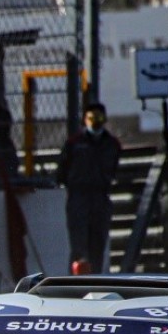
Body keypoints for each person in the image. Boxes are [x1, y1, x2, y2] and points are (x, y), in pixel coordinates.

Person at [55, 102, 122, 272]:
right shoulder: (74, 143)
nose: (95, 122)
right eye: (91, 118)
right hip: (79, 197)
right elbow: (61, 171)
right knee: (79, 246)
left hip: (101, 196)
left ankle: (96, 282)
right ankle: (75, 284)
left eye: (99, 118)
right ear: (85, 119)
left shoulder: (112, 144)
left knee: (98, 246)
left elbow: (113, 169)